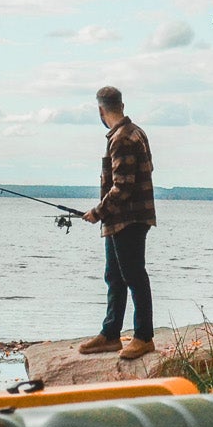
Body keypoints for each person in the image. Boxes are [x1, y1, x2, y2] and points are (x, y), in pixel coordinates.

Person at [78, 86, 157, 359]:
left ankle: (144, 337)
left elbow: (123, 186)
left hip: (129, 219)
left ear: (101, 110)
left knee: (134, 276)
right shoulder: (134, 132)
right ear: (121, 105)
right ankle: (111, 335)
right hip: (123, 219)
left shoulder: (123, 138)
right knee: (114, 277)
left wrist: (97, 212)